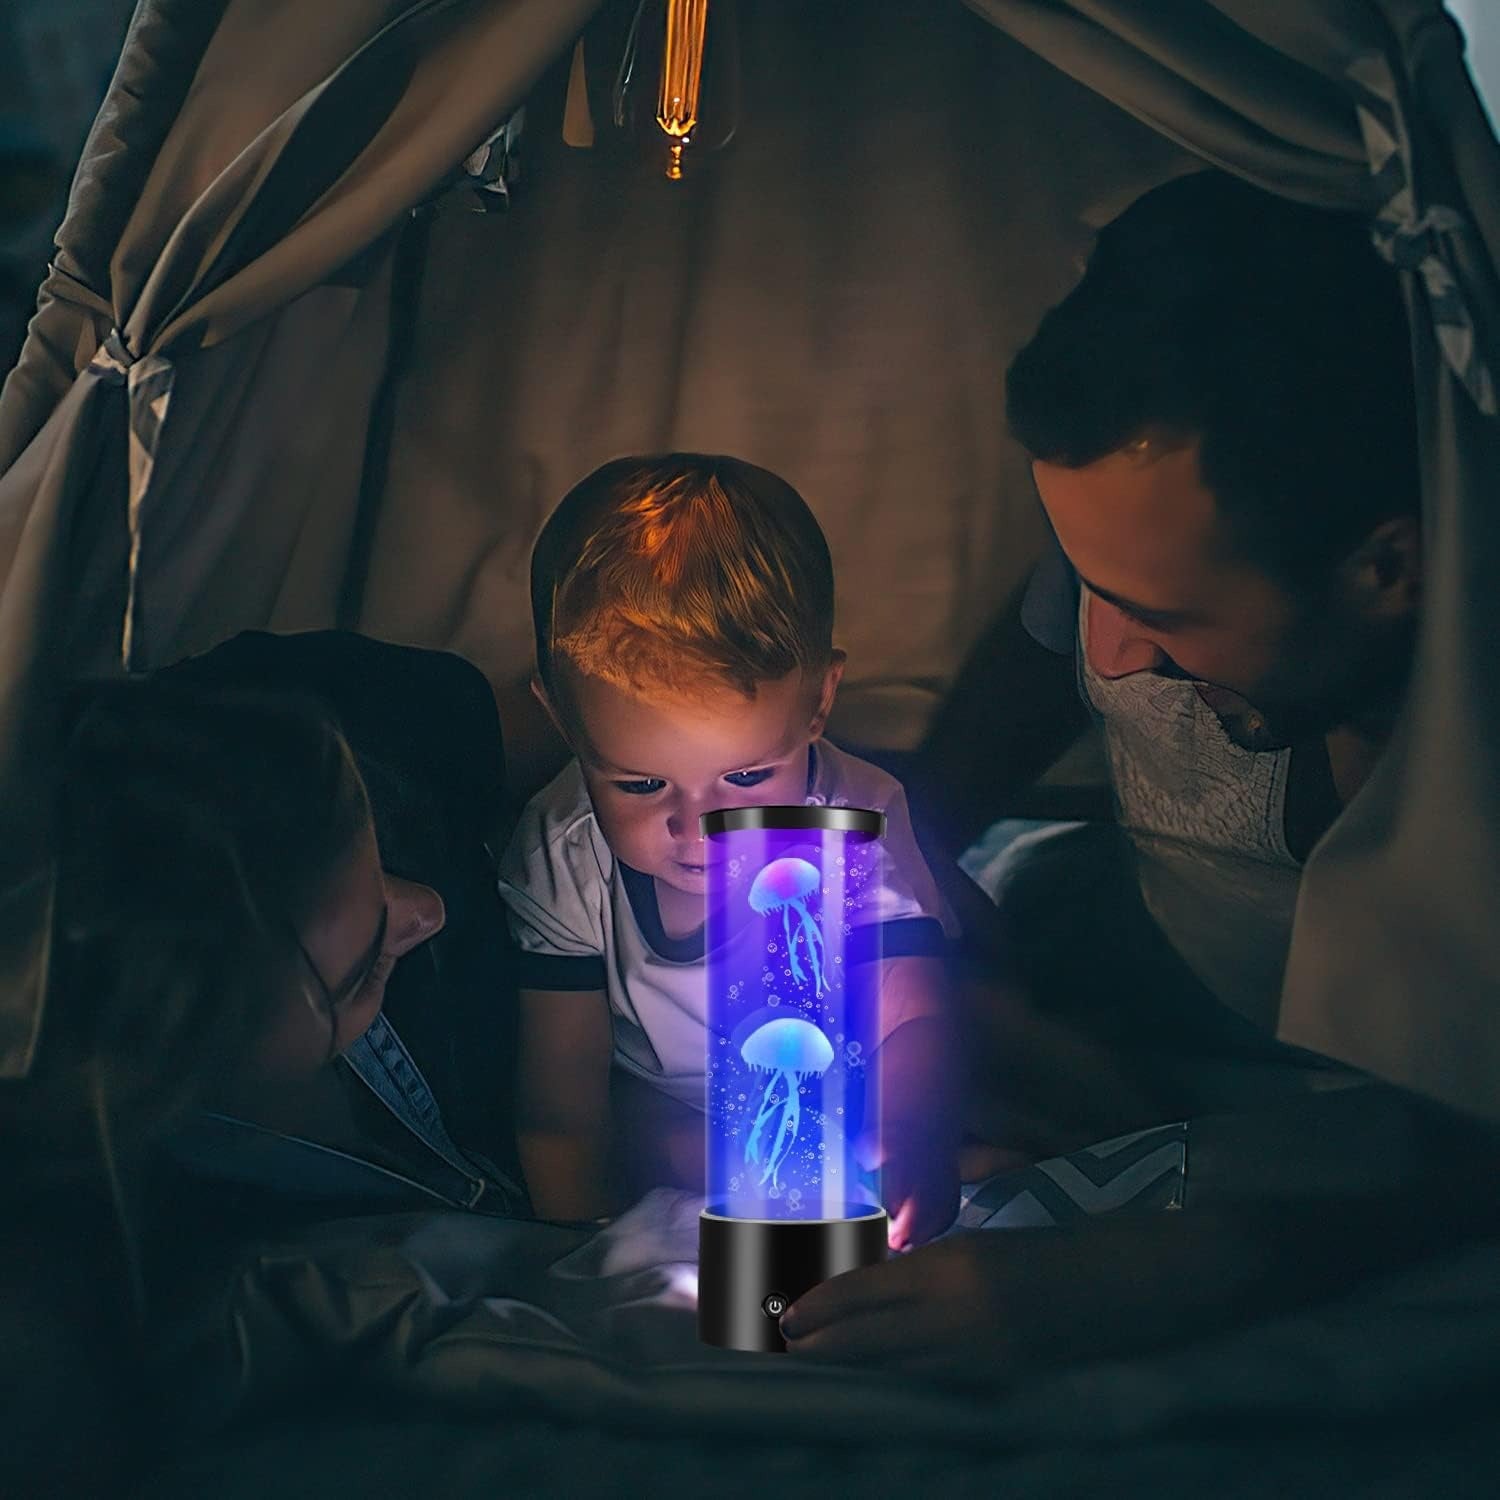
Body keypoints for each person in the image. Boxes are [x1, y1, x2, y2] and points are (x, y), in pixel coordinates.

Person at [780, 171, 1500, 1372]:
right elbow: (1030, 660)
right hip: (1123, 939)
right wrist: (917, 881)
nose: (1109, 657)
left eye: (1162, 614)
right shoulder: (1143, 538)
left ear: (1389, 570)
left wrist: (1204, 1264)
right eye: (1086, 581)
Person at [498, 454, 960, 1246]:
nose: (702, 828)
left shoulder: (852, 819)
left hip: (843, 1086)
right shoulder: (563, 855)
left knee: (981, 1030)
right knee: (663, 1143)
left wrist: (913, 1130)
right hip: (672, 1104)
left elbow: (914, 1013)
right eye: (641, 786)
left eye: (745, 775)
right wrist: (571, 1252)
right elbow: (560, 1111)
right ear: (566, 727)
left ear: (818, 703)